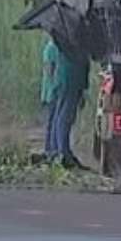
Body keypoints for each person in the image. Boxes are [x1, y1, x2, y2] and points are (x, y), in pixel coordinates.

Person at [45, 41, 90, 169]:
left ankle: (55, 151)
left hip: (64, 82)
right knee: (65, 118)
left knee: (59, 117)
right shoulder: (74, 44)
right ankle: (62, 152)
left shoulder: (61, 43)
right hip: (72, 81)